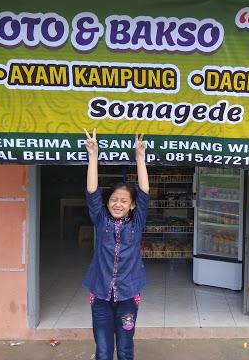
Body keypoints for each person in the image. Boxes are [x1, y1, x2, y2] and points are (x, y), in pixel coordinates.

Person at [82, 129, 150, 360]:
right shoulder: (101, 221)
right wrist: (93, 155)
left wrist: (140, 158)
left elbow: (144, 192)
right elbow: (92, 192)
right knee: (103, 350)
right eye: (113, 200)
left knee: (125, 347)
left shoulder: (137, 222)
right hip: (100, 295)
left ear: (131, 205)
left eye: (123, 201)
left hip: (128, 298)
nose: (117, 204)